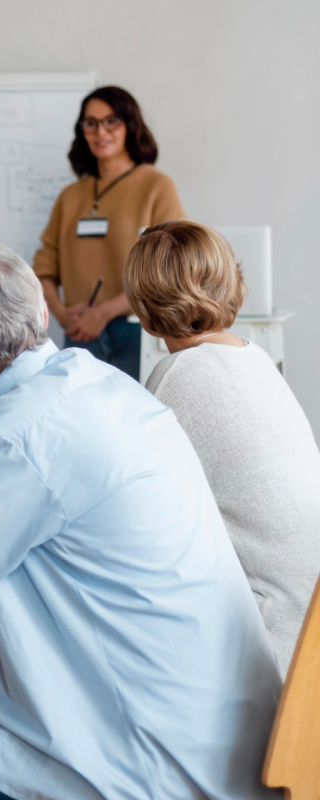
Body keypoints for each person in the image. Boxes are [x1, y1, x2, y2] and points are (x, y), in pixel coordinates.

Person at [0, 243, 280, 800]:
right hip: (235, 738)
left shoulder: (19, 434)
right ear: (41, 313)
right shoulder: (102, 385)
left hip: (149, 760)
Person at [126, 220, 320, 675]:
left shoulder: (177, 376)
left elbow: (139, 515)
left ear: (146, 308)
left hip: (275, 650)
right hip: (310, 634)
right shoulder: (254, 357)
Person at [33, 85, 184, 380]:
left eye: (111, 121)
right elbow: (43, 270)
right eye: (91, 123)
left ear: (130, 125)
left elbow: (169, 267)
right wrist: (64, 317)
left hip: (138, 329)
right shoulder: (70, 196)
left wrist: (102, 313)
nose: (101, 132)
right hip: (79, 333)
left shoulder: (156, 186)